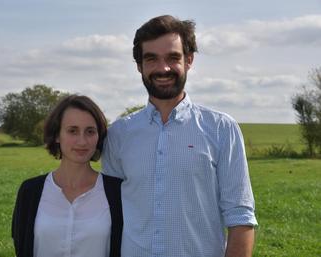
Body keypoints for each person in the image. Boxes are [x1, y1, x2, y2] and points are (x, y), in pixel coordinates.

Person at [102, 15, 258, 257]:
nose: (163, 68)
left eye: (173, 58)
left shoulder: (221, 129)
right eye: (151, 58)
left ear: (189, 60)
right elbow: (110, 216)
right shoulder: (119, 134)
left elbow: (240, 217)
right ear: (139, 66)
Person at [12, 95, 123, 257]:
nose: (82, 141)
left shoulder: (117, 191)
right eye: (73, 131)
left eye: (90, 131)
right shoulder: (30, 191)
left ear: (99, 136)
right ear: (57, 135)